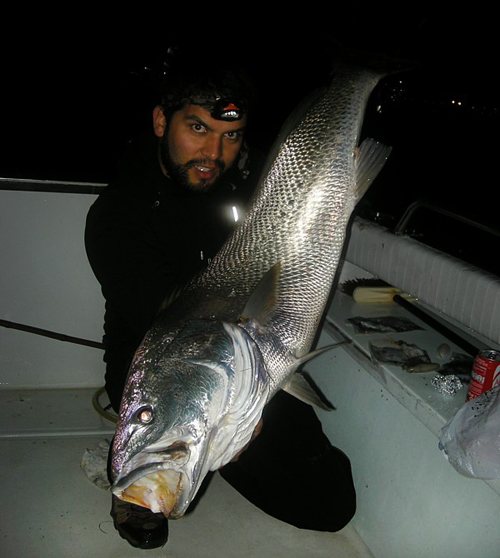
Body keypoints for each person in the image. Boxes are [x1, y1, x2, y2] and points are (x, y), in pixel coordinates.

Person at [85, 47, 356, 550]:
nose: (213, 152)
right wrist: (223, 416)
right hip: (156, 366)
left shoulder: (246, 186)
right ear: (162, 121)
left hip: (251, 356)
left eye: (230, 135)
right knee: (150, 483)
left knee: (329, 505)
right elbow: (180, 330)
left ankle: (209, 456)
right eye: (198, 128)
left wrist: (243, 414)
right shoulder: (118, 217)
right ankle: (142, 457)